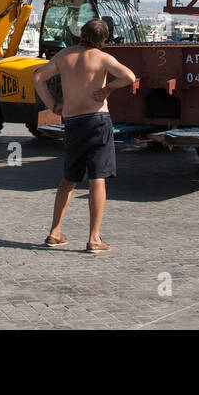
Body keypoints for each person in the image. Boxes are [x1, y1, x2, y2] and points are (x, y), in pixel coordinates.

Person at [33, 18, 138, 254]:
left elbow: (37, 78)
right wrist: (108, 88)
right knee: (97, 178)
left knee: (68, 179)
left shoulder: (64, 56)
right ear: (104, 39)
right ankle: (94, 238)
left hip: (72, 121)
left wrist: (52, 105)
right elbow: (130, 77)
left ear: (80, 33)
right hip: (97, 121)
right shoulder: (102, 58)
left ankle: (54, 232)